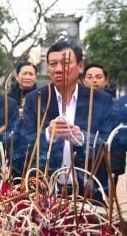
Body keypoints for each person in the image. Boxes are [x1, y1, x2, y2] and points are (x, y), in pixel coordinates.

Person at [15, 40, 116, 199]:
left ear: (80, 66)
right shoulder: (37, 98)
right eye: (53, 64)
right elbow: (24, 141)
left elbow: (112, 144)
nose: (58, 69)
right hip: (47, 190)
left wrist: (82, 138)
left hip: (88, 192)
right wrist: (48, 134)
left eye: (65, 63)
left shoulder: (100, 100)